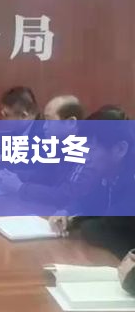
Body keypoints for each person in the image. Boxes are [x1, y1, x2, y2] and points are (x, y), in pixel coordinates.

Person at [49, 110, 135, 258]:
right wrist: (67, 213)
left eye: (91, 148)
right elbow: (89, 201)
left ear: (120, 149)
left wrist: (79, 222)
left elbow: (102, 228)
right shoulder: (110, 175)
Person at [0, 95, 93, 208]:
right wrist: (13, 176)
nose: (44, 126)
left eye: (49, 121)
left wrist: (20, 187)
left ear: (70, 122)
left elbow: (66, 196)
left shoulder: (87, 151)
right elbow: (45, 175)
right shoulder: (61, 144)